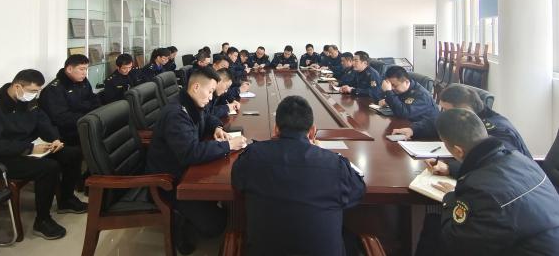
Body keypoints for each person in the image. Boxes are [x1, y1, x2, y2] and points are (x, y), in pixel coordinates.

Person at [232, 95, 366, 256]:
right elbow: (358, 189)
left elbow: (237, 182)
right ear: (312, 131)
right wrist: (325, 153)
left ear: (276, 129)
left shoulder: (252, 155)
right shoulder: (335, 165)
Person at [414, 108, 559, 256]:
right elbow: (492, 166)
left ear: (458, 151)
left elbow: (455, 241)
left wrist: (450, 198)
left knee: (435, 226)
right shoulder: (519, 159)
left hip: (524, 249)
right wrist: (450, 168)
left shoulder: (477, 189)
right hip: (546, 240)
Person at [0, 69, 87, 240]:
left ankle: (66, 200)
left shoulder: (28, 102)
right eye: (32, 91)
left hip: (25, 150)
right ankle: (42, 221)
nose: (35, 95)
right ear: (17, 86)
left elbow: (43, 121)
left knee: (72, 153)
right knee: (49, 168)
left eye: (38, 91)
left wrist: (54, 139)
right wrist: (29, 149)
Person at [146, 67, 247, 254]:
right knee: (215, 225)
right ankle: (179, 221)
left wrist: (217, 128)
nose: (211, 97)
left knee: (221, 213)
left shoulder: (193, 102)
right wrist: (228, 146)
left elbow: (208, 117)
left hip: (185, 171)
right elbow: (190, 153)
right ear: (196, 87)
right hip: (168, 182)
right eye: (210, 91)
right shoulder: (177, 114)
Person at [393, 84, 532, 168]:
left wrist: (451, 167)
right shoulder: (466, 119)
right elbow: (438, 121)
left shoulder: (499, 131)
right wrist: (413, 129)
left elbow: (496, 165)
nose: (443, 114)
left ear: (464, 110)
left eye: (446, 110)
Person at [39, 54, 101, 146]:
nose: (85, 73)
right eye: (81, 69)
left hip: (87, 122)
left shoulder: (83, 81)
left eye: (86, 69)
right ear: (69, 69)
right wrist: (88, 116)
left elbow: (93, 98)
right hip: (68, 132)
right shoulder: (54, 89)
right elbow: (61, 118)